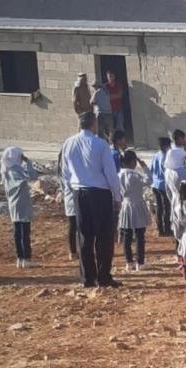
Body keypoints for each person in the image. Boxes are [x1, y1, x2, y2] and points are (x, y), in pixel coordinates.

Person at [60, 112, 123, 288]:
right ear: (93, 124)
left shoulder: (69, 143)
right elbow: (110, 173)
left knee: (84, 237)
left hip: (79, 193)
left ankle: (87, 278)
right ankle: (103, 276)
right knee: (104, 237)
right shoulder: (100, 144)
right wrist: (117, 196)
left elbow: (65, 173)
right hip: (100, 194)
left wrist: (68, 192)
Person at [1, 147, 39, 268]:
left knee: (17, 232)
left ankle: (20, 258)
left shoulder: (5, 170)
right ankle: (26, 258)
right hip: (22, 203)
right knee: (25, 232)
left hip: (13, 204)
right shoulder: (16, 170)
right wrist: (28, 163)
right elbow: (32, 177)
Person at [117, 150, 151, 272]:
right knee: (140, 235)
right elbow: (149, 180)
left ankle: (129, 262)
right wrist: (145, 167)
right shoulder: (136, 176)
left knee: (126, 235)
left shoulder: (119, 175)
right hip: (137, 205)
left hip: (125, 205)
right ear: (133, 162)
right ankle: (140, 262)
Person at [57, 151, 78, 260]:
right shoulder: (68, 172)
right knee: (75, 226)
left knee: (73, 226)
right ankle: (74, 251)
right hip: (74, 199)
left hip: (70, 200)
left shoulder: (62, 172)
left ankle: (73, 251)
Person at [150, 137, 172, 237]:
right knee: (166, 207)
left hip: (155, 184)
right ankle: (167, 228)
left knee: (159, 207)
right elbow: (165, 171)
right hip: (163, 185)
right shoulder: (165, 157)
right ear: (165, 146)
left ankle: (160, 229)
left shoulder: (156, 155)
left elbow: (151, 169)